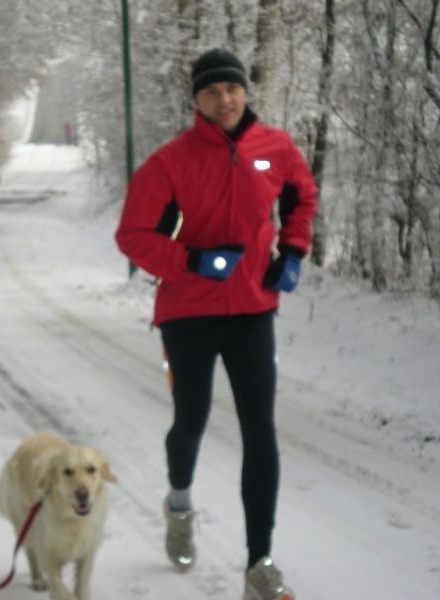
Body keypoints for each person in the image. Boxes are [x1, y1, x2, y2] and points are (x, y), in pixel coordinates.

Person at [115, 49, 317, 600]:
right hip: (189, 312)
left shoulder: (276, 148)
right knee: (192, 419)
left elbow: (303, 197)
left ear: (244, 92)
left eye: (231, 89)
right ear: (196, 103)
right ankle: (179, 504)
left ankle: (259, 564)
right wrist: (192, 261)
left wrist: (293, 250)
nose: (223, 100)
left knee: (260, 429)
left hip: (253, 309)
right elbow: (133, 235)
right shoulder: (170, 162)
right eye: (210, 93)